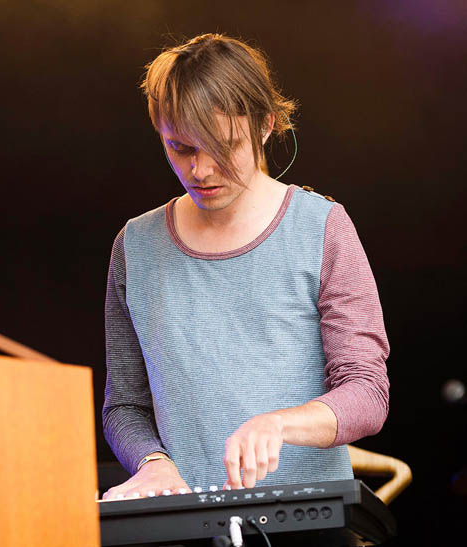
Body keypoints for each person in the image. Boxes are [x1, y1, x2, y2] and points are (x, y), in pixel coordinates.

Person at [101, 34, 389, 500]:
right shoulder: (134, 247)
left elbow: (367, 392)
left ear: (265, 126)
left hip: (309, 523)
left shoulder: (322, 228)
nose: (202, 170)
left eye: (224, 145)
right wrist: (152, 463)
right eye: (181, 148)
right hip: (183, 526)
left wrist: (280, 424)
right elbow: (125, 407)